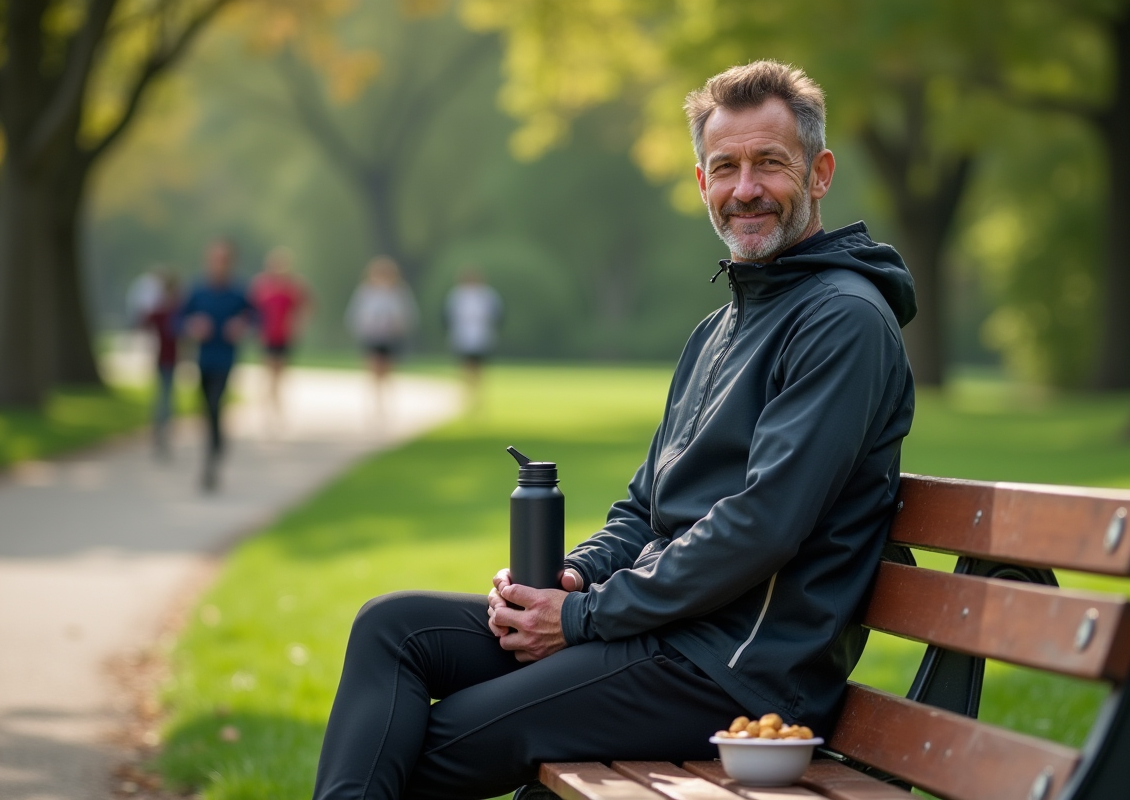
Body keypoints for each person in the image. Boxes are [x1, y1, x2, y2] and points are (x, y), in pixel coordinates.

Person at [311, 60, 917, 800]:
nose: (745, 189)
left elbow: (765, 525)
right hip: (659, 634)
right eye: (724, 167)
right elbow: (643, 507)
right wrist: (572, 577)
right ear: (701, 184)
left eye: (770, 164)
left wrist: (585, 616)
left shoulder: (843, 321)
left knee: (422, 743)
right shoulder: (719, 330)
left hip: (734, 668)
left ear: (819, 173)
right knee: (392, 628)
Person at [178, 239, 255, 492]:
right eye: (215, 259)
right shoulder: (198, 290)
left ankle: (210, 464)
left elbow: (256, 317)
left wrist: (241, 325)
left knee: (215, 403)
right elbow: (178, 320)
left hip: (226, 359)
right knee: (206, 409)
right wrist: (193, 325)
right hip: (203, 359)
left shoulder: (238, 291)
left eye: (224, 260)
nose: (219, 264)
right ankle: (217, 442)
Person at [344, 256, 419, 425]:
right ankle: (375, 407)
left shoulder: (399, 292)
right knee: (373, 370)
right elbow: (354, 316)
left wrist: (398, 326)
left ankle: (386, 406)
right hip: (371, 337)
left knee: (388, 372)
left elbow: (408, 316)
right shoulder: (365, 292)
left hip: (391, 338)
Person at [250, 246, 311, 430]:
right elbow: (253, 310)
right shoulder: (261, 285)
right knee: (269, 373)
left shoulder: (293, 285)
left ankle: (276, 409)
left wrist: (298, 326)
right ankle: (269, 410)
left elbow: (305, 307)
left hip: (284, 336)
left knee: (280, 374)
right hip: (267, 335)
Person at [444, 269, 504, 405]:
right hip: (462, 338)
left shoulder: (487, 296)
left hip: (481, 338)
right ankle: (467, 395)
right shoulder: (457, 296)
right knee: (466, 367)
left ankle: (477, 397)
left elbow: (497, 316)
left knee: (479, 369)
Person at [142, 273, 182, 458]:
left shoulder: (170, 311)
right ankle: (162, 432)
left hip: (169, 359)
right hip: (164, 359)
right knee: (165, 398)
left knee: (164, 396)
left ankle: (161, 432)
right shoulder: (169, 311)